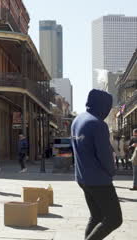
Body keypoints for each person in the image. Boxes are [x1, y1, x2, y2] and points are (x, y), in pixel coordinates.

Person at [71, 89, 122, 239]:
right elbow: (105, 155)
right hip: (99, 180)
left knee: (97, 216)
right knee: (114, 219)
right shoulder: (98, 124)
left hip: (82, 178)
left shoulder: (77, 120)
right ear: (102, 106)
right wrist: (112, 171)